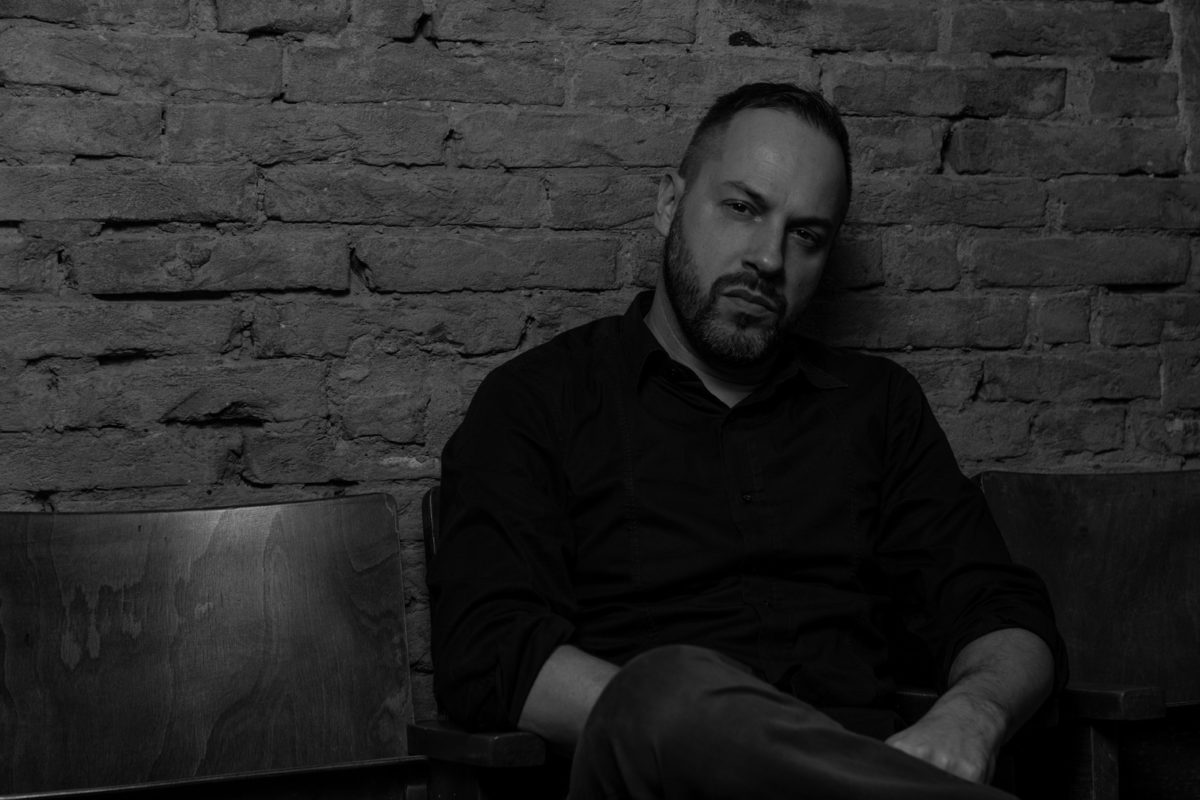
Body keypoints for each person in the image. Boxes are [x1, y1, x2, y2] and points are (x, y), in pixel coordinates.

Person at [429, 82, 1065, 799]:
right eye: (742, 208)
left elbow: (1003, 614)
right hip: (659, 784)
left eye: (806, 235)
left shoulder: (878, 407)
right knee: (666, 684)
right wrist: (677, 725)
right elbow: (488, 648)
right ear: (668, 204)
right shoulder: (540, 401)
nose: (768, 257)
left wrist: (973, 715)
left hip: (873, 769)